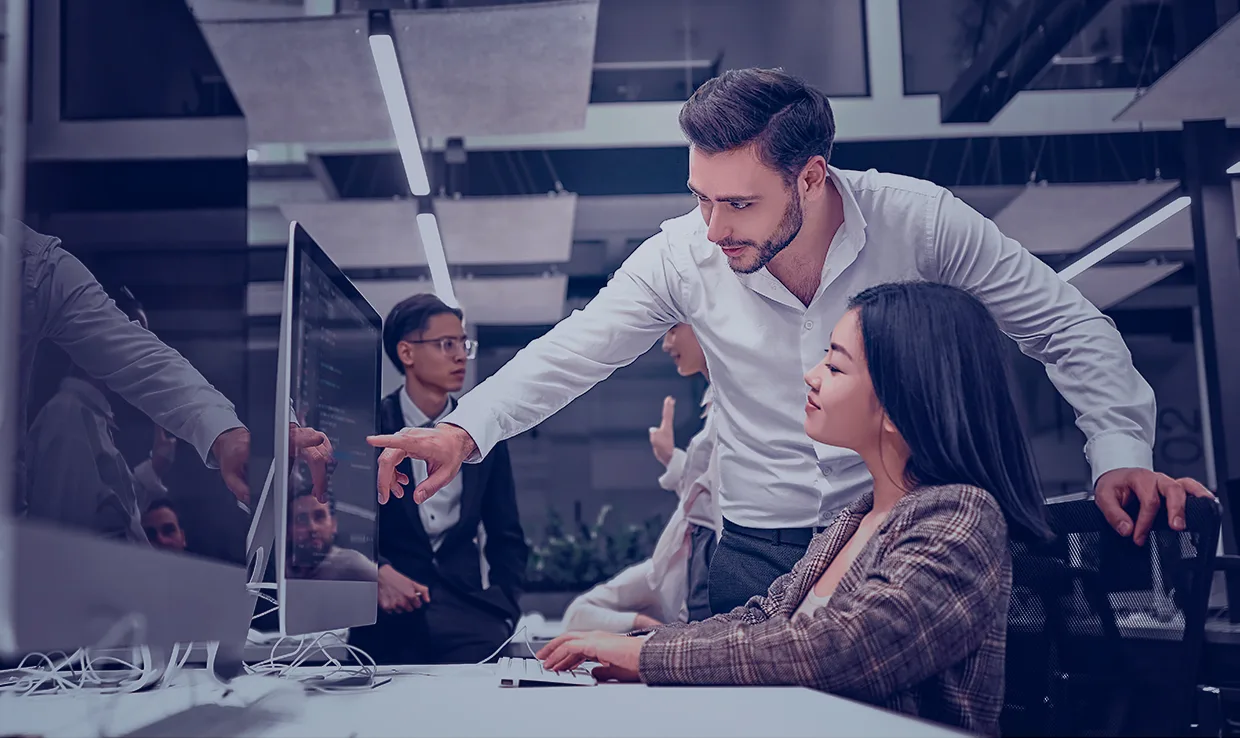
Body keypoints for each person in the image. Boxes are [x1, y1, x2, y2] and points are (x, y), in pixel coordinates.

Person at [367, 68, 1210, 615]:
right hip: (755, 551)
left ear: (811, 176)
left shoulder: (916, 221)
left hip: (905, 536)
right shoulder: (683, 253)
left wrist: (1120, 447)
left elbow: (1062, 323)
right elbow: (576, 348)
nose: (712, 226)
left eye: (738, 204)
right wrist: (462, 429)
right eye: (700, 197)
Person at [536, 282, 1053, 734]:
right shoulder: (856, 517)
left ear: (898, 405)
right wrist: (639, 647)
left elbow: (841, 649)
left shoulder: (961, 518)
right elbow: (764, 619)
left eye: (834, 364)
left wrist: (648, 655)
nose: (810, 375)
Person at [10, 223, 256, 509]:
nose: (143, 331)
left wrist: (225, 435)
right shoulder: (68, 416)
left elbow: (145, 359)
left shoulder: (33, 262)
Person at [348, 294, 528, 665]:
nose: (461, 355)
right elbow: (342, 523)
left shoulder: (480, 431)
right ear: (407, 353)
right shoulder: (367, 428)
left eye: (464, 344)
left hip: (471, 618)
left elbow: (506, 534)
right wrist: (376, 572)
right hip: (385, 618)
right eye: (446, 344)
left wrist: (506, 607)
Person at [563, 324, 721, 632]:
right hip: (684, 557)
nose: (665, 343)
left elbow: (712, 498)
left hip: (706, 559)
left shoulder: (736, 405)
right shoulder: (716, 402)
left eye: (674, 328)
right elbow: (704, 492)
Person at [286, 488, 377, 581]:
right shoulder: (282, 570)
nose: (313, 528)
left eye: (319, 517)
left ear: (333, 525)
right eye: (301, 519)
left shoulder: (352, 565)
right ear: (288, 530)